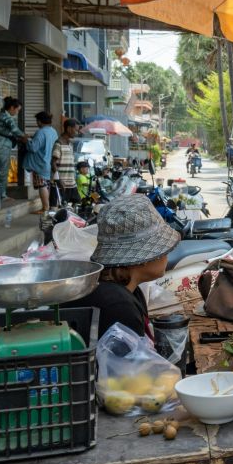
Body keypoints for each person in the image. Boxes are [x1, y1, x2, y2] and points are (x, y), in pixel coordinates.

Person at [65, 194, 180, 338]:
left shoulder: (127, 291)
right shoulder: (119, 307)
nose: (167, 254)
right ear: (143, 258)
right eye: (162, 249)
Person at [0, 97, 27, 199]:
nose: (17, 112)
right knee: (2, 171)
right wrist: (24, 136)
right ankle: (2, 195)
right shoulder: (5, 116)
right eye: (17, 110)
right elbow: (14, 129)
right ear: (12, 107)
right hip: (1, 145)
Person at [23, 111, 59, 214]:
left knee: (41, 185)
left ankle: (45, 208)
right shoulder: (53, 131)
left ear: (39, 121)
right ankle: (47, 207)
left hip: (40, 163)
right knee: (47, 185)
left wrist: (26, 141)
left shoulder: (41, 132)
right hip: (49, 162)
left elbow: (33, 147)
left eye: (37, 121)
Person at [50, 118, 80, 207]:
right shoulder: (58, 143)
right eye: (76, 130)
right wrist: (58, 180)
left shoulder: (70, 144)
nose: (77, 133)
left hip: (71, 183)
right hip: (61, 183)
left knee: (76, 204)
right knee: (57, 208)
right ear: (69, 129)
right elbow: (53, 163)